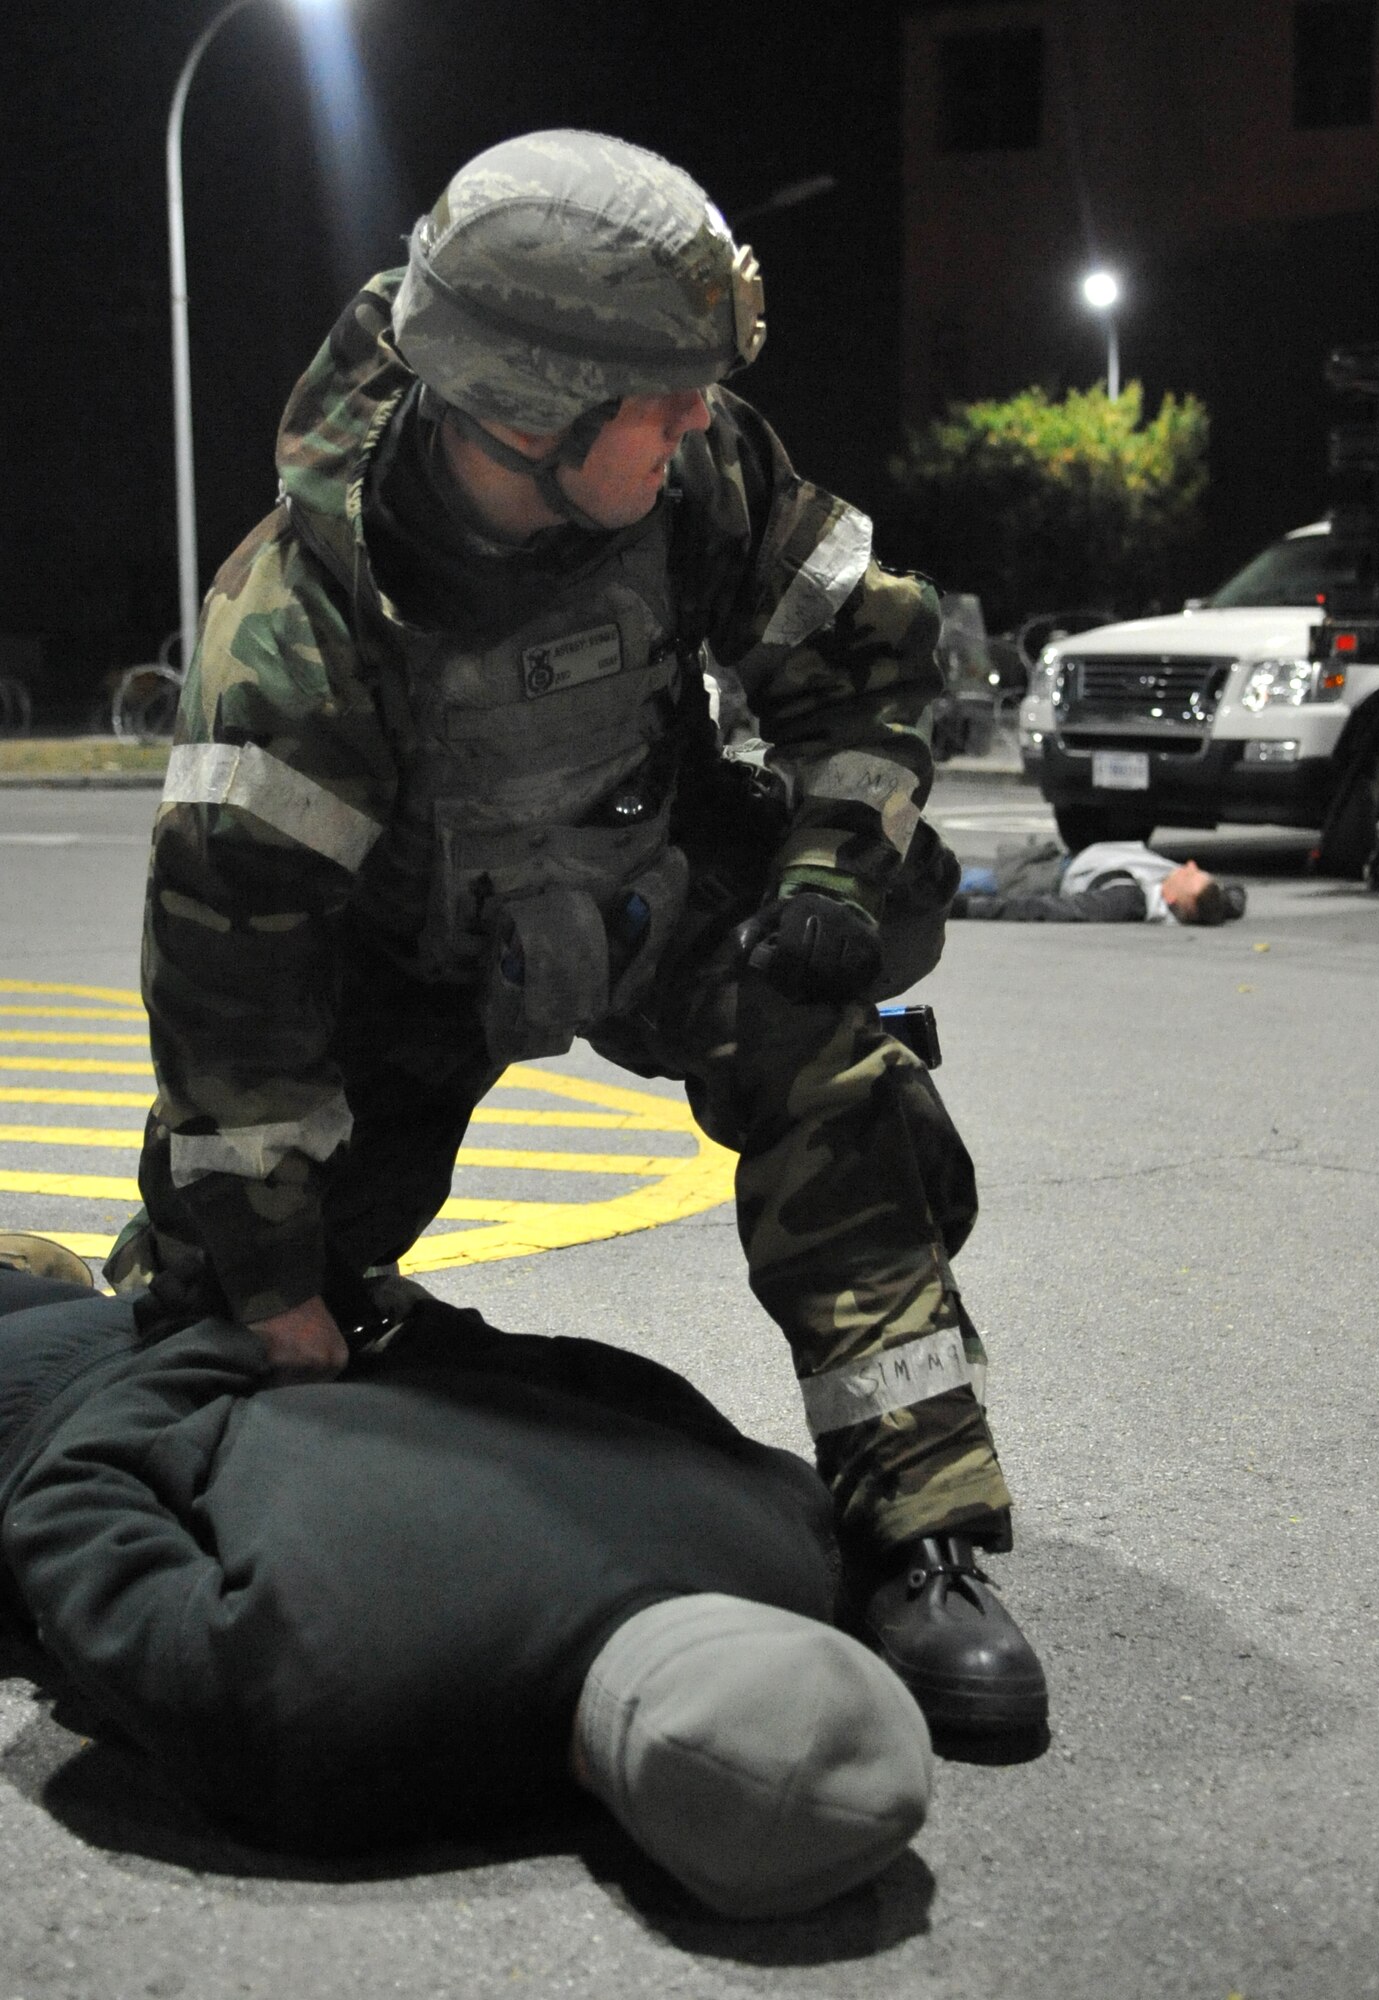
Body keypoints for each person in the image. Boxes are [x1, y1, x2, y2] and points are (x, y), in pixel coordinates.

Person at [107, 130, 1045, 1734]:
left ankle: (923, 1528)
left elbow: (873, 663)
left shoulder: (697, 467)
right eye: (663, 395)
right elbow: (232, 978)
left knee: (847, 1090)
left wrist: (826, 870)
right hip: (411, 973)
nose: (696, 421)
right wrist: (270, 1280)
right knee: (232, 1300)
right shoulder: (292, 634)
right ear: (523, 411)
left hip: (650, 893)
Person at [0, 1254, 933, 1917]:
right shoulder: (322, 1725)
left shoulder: (785, 1545)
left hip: (217, 1346)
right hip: (107, 1393)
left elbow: (596, 1379)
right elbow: (70, 1509)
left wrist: (301, 1330)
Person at [951, 839, 1248, 925]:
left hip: (1043, 877)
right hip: (1064, 861)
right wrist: (1225, 901)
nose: (1190, 865)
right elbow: (1234, 894)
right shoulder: (1210, 900)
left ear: (1170, 899)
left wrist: (965, 909)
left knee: (956, 877)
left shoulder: (1125, 898)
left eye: (1190, 874)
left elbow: (1047, 908)